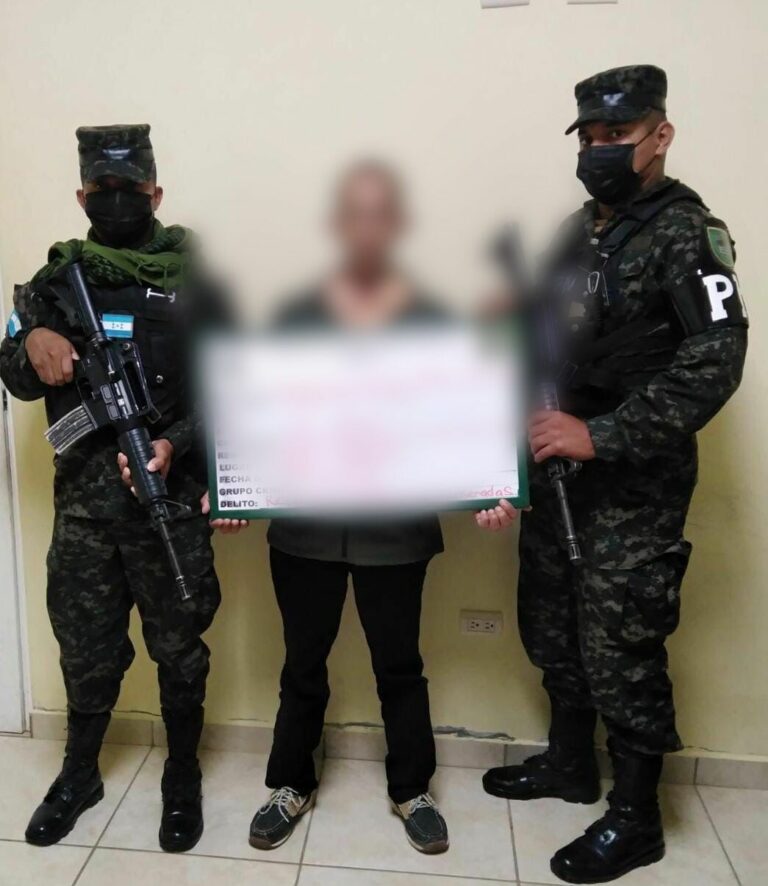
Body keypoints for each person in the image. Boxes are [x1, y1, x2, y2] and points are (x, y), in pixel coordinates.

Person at [479, 66, 748, 883]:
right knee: (552, 625)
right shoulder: (578, 232)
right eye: (589, 137)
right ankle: (570, 763)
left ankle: (636, 819)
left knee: (622, 645)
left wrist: (601, 434)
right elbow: (551, 326)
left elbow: (715, 362)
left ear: (660, 136)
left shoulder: (687, 233)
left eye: (617, 136)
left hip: (633, 488)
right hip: (557, 474)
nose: (599, 151)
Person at [242, 160, 517, 856]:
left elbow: (460, 426)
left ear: (396, 225)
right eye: (353, 213)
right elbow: (262, 420)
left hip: (395, 537)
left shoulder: (433, 321)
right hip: (304, 534)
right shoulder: (297, 316)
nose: (366, 226)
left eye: (379, 213)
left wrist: (490, 491)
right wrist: (232, 482)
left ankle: (411, 789)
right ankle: (290, 783)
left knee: (399, 666)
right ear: (338, 225)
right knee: (302, 666)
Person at [0, 124, 228, 854]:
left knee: (179, 647)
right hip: (85, 512)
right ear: (82, 196)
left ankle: (182, 771)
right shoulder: (54, 282)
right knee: (85, 647)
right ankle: (80, 774)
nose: (117, 199)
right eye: (103, 188)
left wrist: (172, 445)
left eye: (129, 188)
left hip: (167, 501)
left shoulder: (199, 283)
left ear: (155, 193)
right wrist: (32, 342)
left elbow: (233, 390)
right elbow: (14, 372)